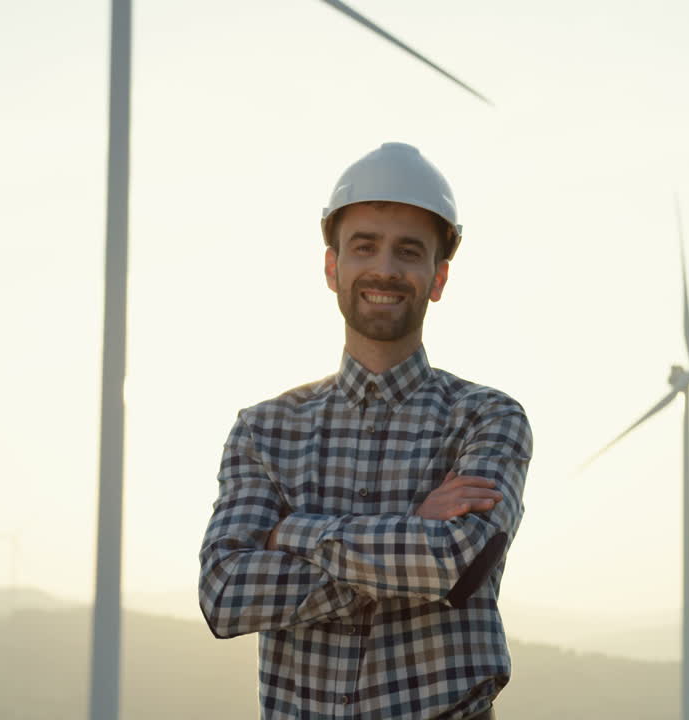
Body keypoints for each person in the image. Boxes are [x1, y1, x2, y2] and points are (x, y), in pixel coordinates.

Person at [198, 142, 532, 720]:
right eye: (365, 246)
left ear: (438, 277)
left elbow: (454, 564)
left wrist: (293, 534)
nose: (385, 268)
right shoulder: (264, 430)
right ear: (332, 267)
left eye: (409, 251)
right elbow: (225, 593)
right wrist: (409, 537)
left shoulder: (488, 418)